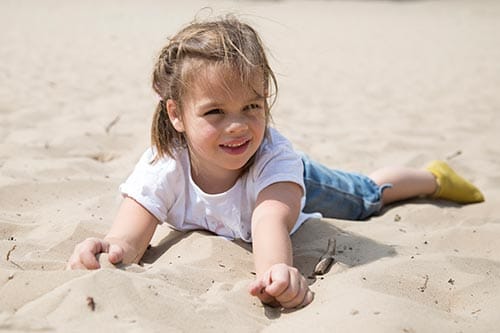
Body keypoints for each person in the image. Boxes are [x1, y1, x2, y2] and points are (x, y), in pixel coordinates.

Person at [67, 16, 484, 309]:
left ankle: (432, 178)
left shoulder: (272, 156)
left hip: (296, 182)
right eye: (215, 113)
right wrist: (112, 248)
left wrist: (276, 272)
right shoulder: (165, 162)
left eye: (252, 106)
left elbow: (268, 220)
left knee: (365, 196)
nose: (237, 126)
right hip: (246, 193)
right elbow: (134, 229)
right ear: (176, 114)